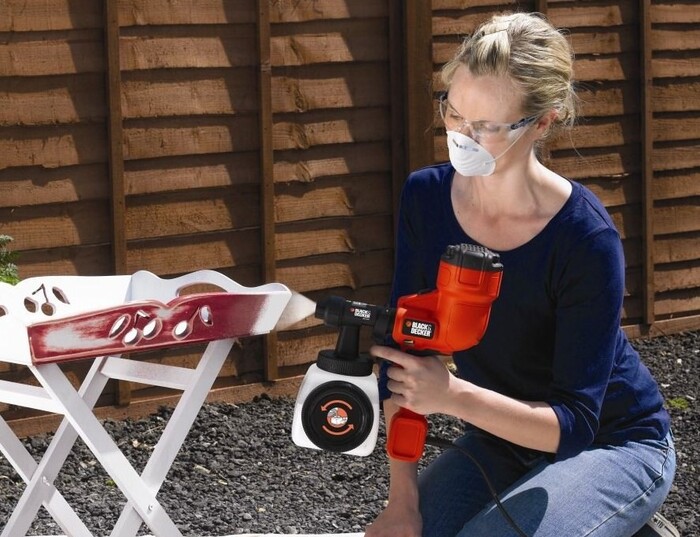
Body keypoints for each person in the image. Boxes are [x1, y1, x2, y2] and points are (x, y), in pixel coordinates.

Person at [366, 12, 675, 537]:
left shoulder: (585, 238)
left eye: (486, 126)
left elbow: (575, 424)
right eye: (453, 112)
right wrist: (403, 503)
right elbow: (404, 356)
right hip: (500, 435)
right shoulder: (426, 198)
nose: (461, 136)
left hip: (613, 441)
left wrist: (451, 396)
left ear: (542, 123)